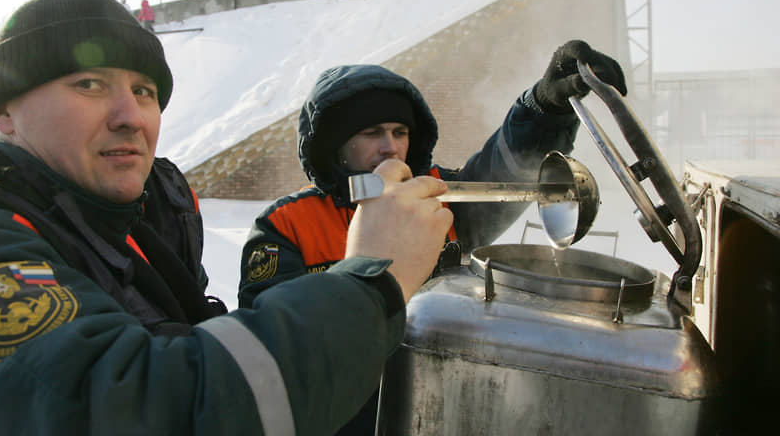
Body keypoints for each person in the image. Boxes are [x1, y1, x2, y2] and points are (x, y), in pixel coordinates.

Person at [0, 0, 453, 435]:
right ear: (3, 112)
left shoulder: (143, 221)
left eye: (144, 92)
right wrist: (366, 284)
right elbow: (152, 407)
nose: (131, 117)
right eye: (89, 84)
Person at [238, 45, 627, 434]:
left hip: (441, 413)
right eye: (371, 133)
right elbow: (274, 360)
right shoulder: (286, 225)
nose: (390, 146)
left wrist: (545, 108)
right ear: (337, 147)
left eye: (399, 132)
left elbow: (505, 168)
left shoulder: (440, 200)